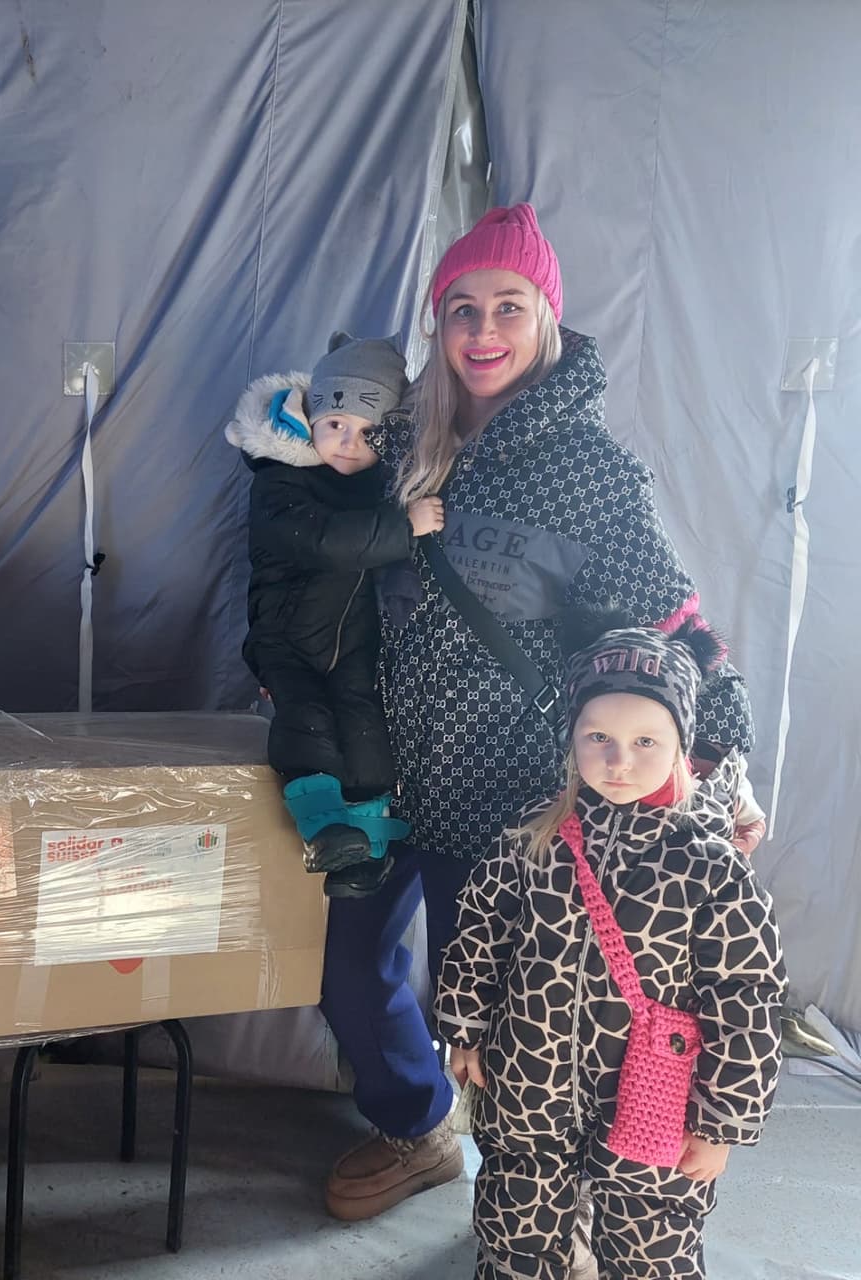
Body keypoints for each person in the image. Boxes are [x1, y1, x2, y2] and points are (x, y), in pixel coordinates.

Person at [317, 203, 761, 1227]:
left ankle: (530, 1196)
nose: (481, 330)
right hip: (383, 772)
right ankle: (411, 1123)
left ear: (544, 320)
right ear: (436, 322)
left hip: (517, 790)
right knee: (352, 981)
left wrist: (725, 759)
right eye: (460, 307)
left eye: (507, 306)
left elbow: (674, 625)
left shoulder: (591, 473)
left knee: (517, 1016)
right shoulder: (398, 439)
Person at [438, 614, 785, 1278]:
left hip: (654, 1095)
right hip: (529, 1081)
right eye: (599, 736)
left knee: (652, 1235)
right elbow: (480, 929)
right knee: (516, 1218)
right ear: (572, 738)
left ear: (681, 744)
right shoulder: (532, 837)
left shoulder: (706, 864)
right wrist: (465, 1028)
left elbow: (748, 998)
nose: (619, 761)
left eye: (645, 740)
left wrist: (722, 1121)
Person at [226, 332, 443, 896]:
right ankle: (324, 828)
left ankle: (366, 847)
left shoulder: (379, 484)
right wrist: (404, 527)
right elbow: (323, 541)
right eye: (336, 425)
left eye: (369, 432)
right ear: (310, 419)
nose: (349, 442)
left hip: (353, 640)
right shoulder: (281, 479)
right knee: (308, 720)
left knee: (365, 726)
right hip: (286, 636)